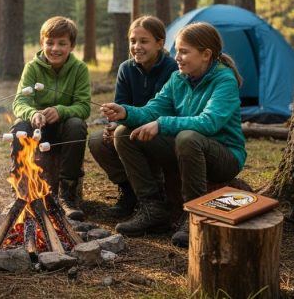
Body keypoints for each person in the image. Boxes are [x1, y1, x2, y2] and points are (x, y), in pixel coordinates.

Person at [100, 22, 246, 247]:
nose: (177, 57)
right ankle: (153, 208)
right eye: (177, 50)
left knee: (188, 137)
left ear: (206, 54)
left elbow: (209, 123)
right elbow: (152, 110)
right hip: (187, 150)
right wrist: (125, 112)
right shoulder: (178, 78)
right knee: (123, 133)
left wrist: (162, 124)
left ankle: (195, 215)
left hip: (224, 156)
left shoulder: (223, 79)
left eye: (184, 52)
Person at [88, 15, 178, 217]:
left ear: (159, 43)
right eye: (133, 41)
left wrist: (123, 125)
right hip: (128, 127)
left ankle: (153, 200)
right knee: (97, 140)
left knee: (122, 133)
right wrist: (112, 124)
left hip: (160, 131)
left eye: (144, 41)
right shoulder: (126, 69)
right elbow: (121, 105)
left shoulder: (172, 69)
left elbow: (167, 110)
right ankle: (129, 191)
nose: (137, 46)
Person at [12, 16, 91, 220]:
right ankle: (22, 190)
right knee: (20, 125)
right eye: (50, 42)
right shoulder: (32, 68)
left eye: (62, 43)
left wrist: (61, 111)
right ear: (42, 43)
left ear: (71, 45)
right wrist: (33, 113)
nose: (55, 48)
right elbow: (19, 102)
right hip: (39, 130)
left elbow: (83, 106)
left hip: (64, 129)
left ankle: (67, 194)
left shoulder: (79, 69)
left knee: (77, 125)